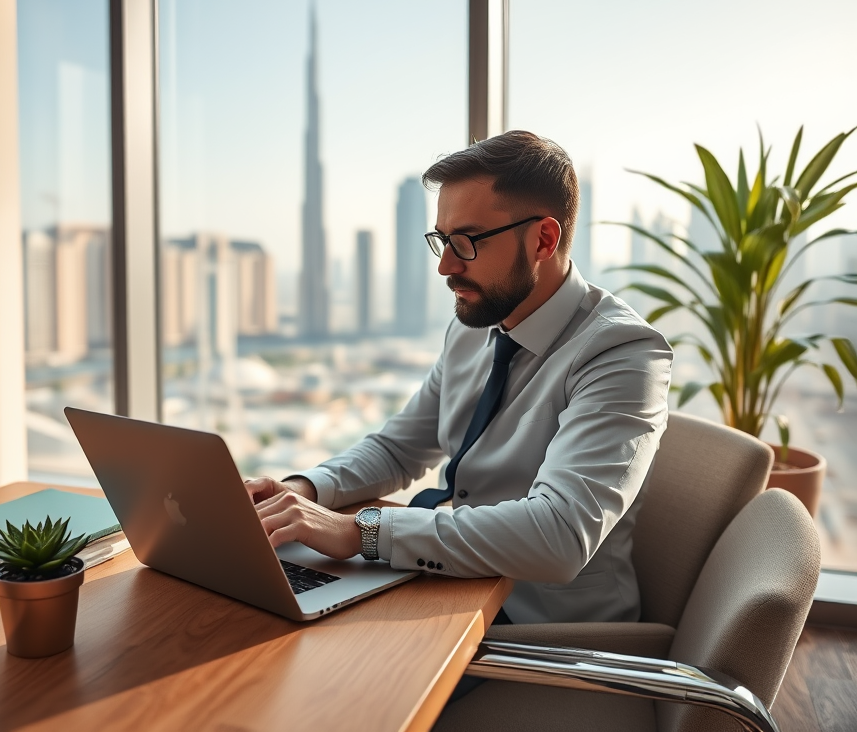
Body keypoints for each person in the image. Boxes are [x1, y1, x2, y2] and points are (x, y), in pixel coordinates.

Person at [245, 130, 672, 625]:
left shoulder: (622, 354)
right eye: (442, 241)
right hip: (453, 589)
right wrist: (302, 491)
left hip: (544, 632)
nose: (447, 266)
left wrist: (362, 532)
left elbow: (558, 536)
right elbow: (399, 448)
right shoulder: (474, 325)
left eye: (466, 242)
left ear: (544, 239)